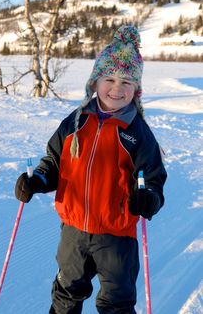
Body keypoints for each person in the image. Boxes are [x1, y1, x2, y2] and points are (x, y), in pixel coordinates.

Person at [15, 25, 167, 314]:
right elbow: (54, 162)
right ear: (94, 83)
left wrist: (148, 197)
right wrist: (37, 181)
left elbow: (153, 179)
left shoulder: (137, 133)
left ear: (137, 89)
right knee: (65, 297)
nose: (117, 88)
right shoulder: (75, 123)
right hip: (73, 233)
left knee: (117, 303)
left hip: (117, 236)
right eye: (109, 78)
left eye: (126, 81)